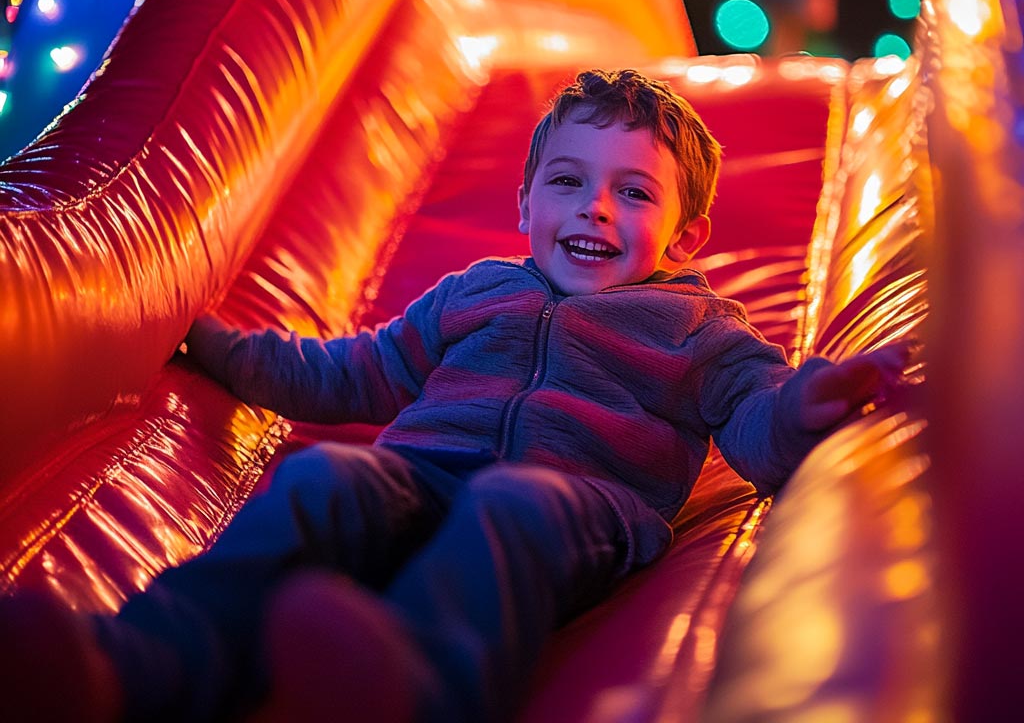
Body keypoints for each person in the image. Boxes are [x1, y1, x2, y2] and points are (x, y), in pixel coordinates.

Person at [0, 69, 908, 723]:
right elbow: (353, 373)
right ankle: (132, 665)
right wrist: (217, 345)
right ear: (525, 205)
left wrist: (809, 404)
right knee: (333, 486)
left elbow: (756, 422)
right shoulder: (477, 291)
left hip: (581, 504)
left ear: (684, 235)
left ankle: (416, 683)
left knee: (516, 501)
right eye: (568, 183)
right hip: (425, 476)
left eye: (633, 193)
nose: (594, 208)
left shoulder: (697, 327)